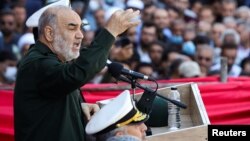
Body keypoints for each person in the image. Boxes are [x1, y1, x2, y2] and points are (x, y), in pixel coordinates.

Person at [14, 2, 140, 141]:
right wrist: (110, 32)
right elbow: (75, 74)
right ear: (49, 33)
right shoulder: (36, 63)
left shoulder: (55, 61)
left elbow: (53, 98)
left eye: (81, 28)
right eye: (72, 28)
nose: (80, 35)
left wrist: (78, 108)